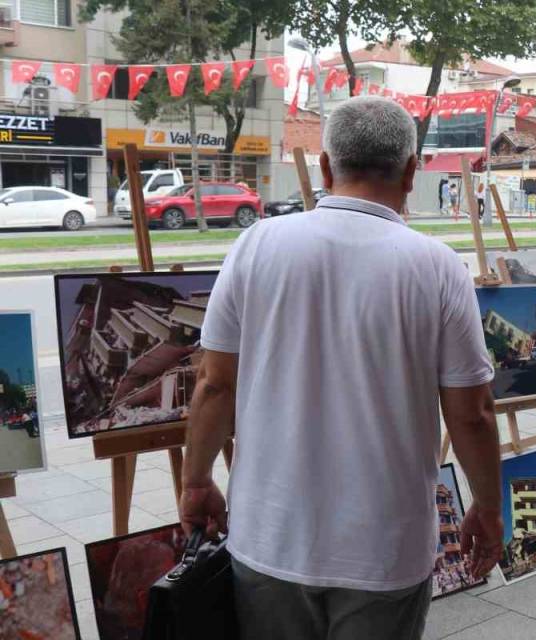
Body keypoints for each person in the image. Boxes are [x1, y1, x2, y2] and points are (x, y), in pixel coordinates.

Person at [180, 96, 504, 639]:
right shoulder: (438, 266)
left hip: (269, 538)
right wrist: (489, 507)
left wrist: (195, 481)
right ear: (410, 170)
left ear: (327, 167)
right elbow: (472, 415)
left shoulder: (256, 244)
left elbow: (215, 385)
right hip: (385, 550)